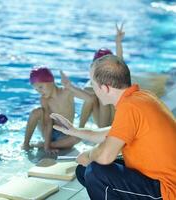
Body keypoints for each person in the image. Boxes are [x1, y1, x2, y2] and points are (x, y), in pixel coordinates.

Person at [52, 55, 176, 199]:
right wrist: (74, 130)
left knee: (96, 172)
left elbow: (105, 157)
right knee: (84, 170)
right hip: (157, 179)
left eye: (93, 84)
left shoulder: (129, 107)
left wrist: (89, 155)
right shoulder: (141, 97)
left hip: (167, 190)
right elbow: (112, 132)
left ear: (105, 88)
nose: (93, 90)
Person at [22, 66, 93, 153]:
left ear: (51, 82)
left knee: (77, 137)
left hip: (65, 133)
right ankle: (26, 144)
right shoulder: (44, 99)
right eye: (36, 89)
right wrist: (47, 148)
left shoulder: (66, 92)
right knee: (36, 112)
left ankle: (45, 144)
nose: (39, 91)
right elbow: (48, 122)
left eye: (41, 87)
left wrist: (70, 86)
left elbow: (90, 99)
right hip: (48, 131)